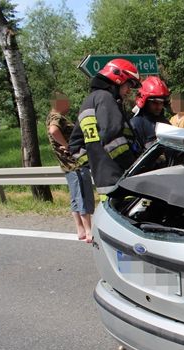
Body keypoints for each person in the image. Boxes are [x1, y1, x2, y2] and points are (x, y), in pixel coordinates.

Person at [68, 58, 143, 196]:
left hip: (103, 182)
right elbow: (112, 138)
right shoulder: (106, 99)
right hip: (121, 180)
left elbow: (74, 146)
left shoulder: (89, 101)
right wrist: (134, 166)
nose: (128, 91)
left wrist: (96, 164)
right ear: (118, 79)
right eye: (128, 85)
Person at [46, 92, 94, 242]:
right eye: (66, 102)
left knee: (75, 197)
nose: (69, 105)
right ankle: (88, 231)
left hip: (67, 165)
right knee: (82, 195)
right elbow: (53, 130)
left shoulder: (50, 116)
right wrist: (68, 146)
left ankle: (80, 229)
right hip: (75, 164)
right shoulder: (57, 117)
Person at [131, 76, 170, 148]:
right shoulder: (136, 124)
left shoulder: (165, 123)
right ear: (145, 102)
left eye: (161, 103)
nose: (159, 107)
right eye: (155, 103)